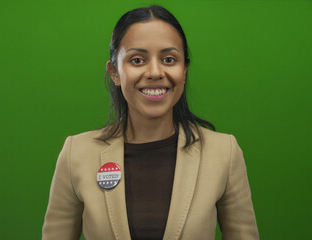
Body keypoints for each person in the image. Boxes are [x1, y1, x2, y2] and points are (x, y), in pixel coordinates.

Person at [42, 5, 259, 240]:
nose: (155, 72)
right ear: (114, 72)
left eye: (168, 59)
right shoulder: (77, 154)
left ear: (184, 71)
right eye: (137, 60)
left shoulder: (224, 153)